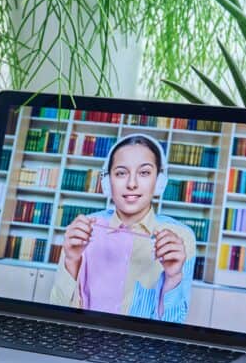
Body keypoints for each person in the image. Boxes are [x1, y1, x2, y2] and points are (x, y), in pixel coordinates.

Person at [49, 134, 196, 322]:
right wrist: (71, 260)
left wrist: (173, 277)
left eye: (144, 173)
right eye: (121, 173)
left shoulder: (181, 237)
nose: (132, 184)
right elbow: (57, 314)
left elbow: (173, 325)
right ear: (107, 182)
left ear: (159, 181)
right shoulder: (84, 229)